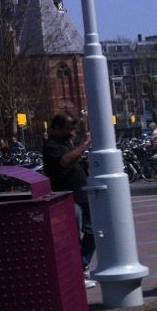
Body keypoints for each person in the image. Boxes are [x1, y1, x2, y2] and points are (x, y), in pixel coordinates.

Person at [42, 112, 96, 289]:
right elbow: (65, 161)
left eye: (73, 129)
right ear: (57, 128)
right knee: (73, 236)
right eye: (68, 129)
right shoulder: (50, 145)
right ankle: (75, 272)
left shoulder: (67, 142)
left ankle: (81, 265)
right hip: (68, 197)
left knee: (94, 231)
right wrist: (85, 145)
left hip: (82, 195)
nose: (72, 133)